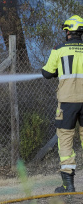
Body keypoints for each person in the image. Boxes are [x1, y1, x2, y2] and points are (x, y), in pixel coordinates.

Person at [42, 15, 83, 193]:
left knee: (65, 140)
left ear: (68, 31)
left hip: (67, 102)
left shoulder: (58, 49)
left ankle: (69, 185)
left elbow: (47, 73)